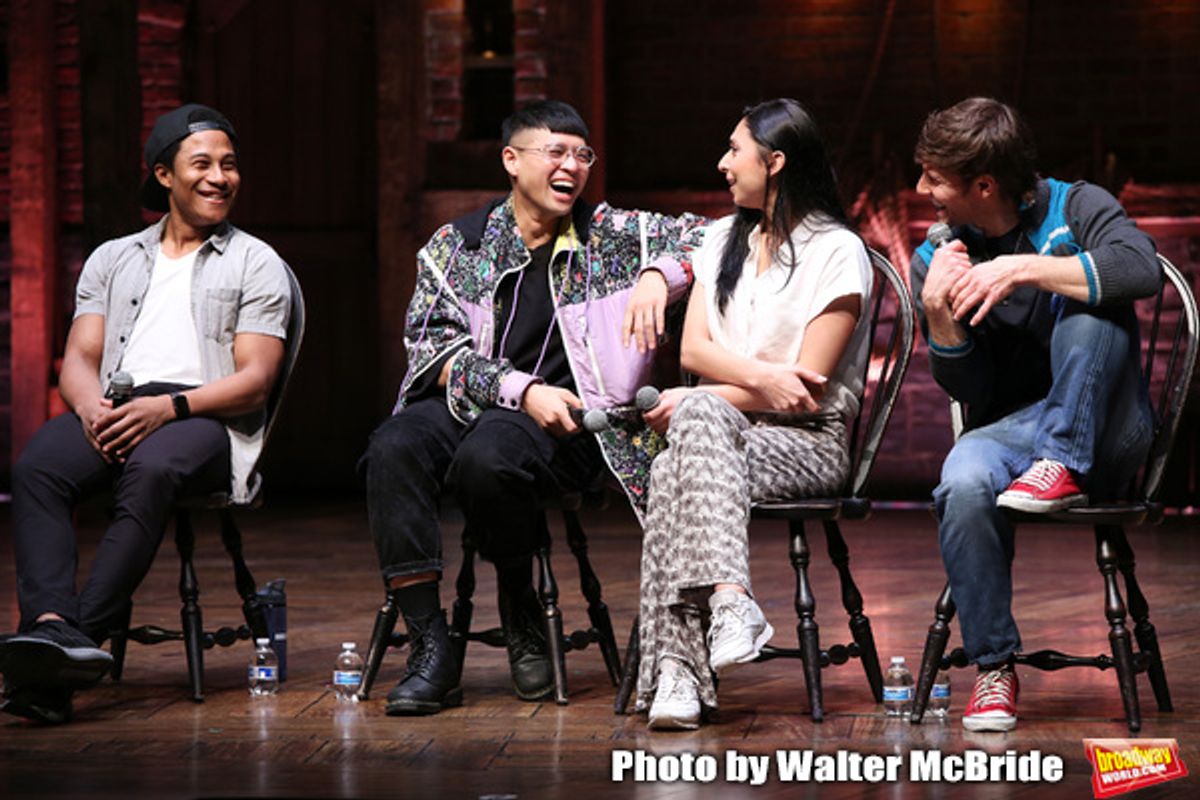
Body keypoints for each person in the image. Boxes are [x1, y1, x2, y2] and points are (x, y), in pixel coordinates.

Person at [361, 100, 704, 716]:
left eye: (582, 154)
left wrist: (660, 273)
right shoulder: (458, 246)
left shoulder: (616, 236)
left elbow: (716, 238)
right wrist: (520, 388)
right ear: (512, 161)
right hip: (482, 402)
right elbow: (434, 349)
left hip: (577, 423)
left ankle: (519, 600)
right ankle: (430, 644)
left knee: (489, 457)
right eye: (556, 152)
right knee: (393, 446)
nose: (572, 165)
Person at [0, 104, 294, 724]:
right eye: (203, 164)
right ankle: (50, 625)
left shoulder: (254, 261)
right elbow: (77, 358)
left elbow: (254, 383)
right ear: (164, 175)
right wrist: (90, 411)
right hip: (121, 407)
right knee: (36, 470)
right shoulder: (114, 258)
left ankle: (74, 640)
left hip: (202, 418)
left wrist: (168, 408)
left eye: (230, 165)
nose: (221, 177)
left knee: (152, 473)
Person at [909, 97, 1159, 732]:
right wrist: (939, 314)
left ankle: (1063, 460)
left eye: (934, 178)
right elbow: (969, 387)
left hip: (1108, 429)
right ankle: (993, 669)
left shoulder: (1077, 207)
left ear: (983, 185)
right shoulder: (942, 253)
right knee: (962, 481)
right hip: (1014, 432)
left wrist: (1031, 270)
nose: (921, 190)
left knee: (1090, 295)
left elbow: (1142, 269)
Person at [634, 98, 873, 730]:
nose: (722, 164)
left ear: (776, 162)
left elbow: (806, 394)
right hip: (727, 430)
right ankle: (727, 604)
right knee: (683, 450)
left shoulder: (838, 252)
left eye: (734, 150)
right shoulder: (720, 240)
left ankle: (679, 672)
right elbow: (692, 351)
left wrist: (707, 393)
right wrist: (762, 374)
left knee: (685, 442)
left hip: (808, 442)